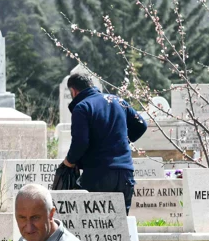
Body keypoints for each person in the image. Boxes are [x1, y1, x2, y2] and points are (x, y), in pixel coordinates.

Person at [60, 71, 146, 210]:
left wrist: (69, 161)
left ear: (73, 91)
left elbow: (80, 142)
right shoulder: (117, 101)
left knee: (96, 227)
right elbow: (141, 125)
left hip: (98, 173)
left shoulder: (82, 107)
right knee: (120, 226)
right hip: (125, 172)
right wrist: (122, 141)